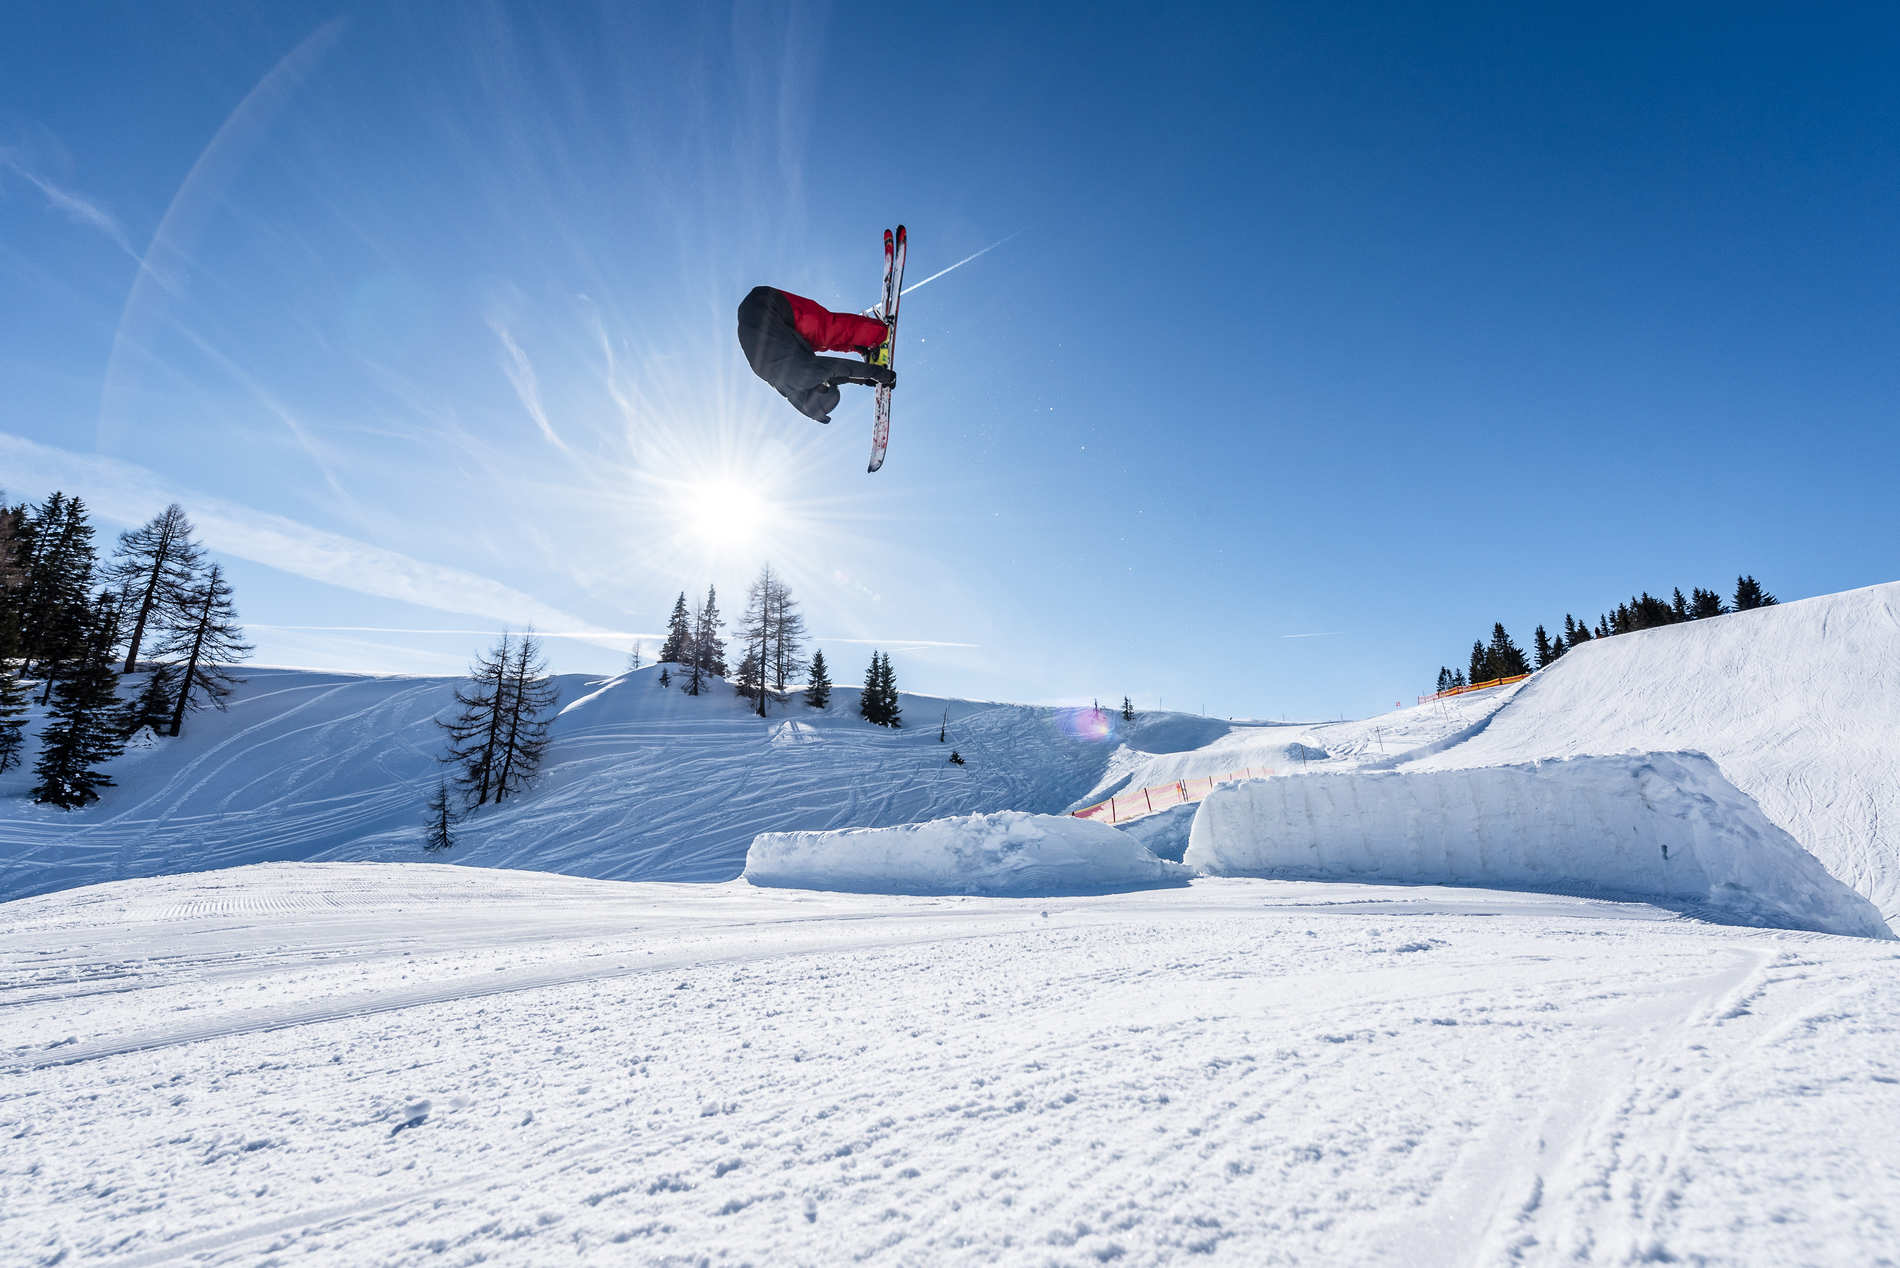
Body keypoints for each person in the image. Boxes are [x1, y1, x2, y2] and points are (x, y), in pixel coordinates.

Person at [737, 285, 894, 423]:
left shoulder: (801, 377)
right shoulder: (794, 390)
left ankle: (879, 335)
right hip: (761, 318)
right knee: (818, 342)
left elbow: (837, 368)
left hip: (767, 304)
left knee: (824, 330)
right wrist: (863, 379)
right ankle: (863, 346)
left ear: (819, 389)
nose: (827, 382)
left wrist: (880, 375)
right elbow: (831, 374)